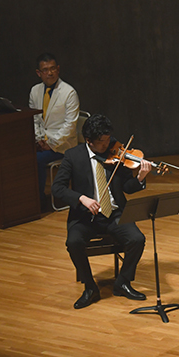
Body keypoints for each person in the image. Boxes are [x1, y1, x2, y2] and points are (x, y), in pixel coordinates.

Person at [51, 114, 151, 309]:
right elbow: (57, 188)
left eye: (108, 139)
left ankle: (122, 281)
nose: (107, 145)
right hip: (84, 216)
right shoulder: (73, 156)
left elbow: (128, 187)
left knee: (137, 239)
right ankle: (90, 287)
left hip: (113, 213)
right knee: (73, 242)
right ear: (89, 141)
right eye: (102, 142)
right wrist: (82, 198)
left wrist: (140, 177)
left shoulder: (116, 153)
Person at [28, 53, 80, 208]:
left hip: (63, 145)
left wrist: (50, 144)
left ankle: (40, 199)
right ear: (39, 73)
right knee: (24, 156)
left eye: (52, 69)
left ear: (58, 69)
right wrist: (38, 140)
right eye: (45, 70)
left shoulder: (69, 92)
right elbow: (35, 120)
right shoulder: (35, 91)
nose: (49, 73)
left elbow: (70, 126)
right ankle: (27, 199)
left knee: (36, 159)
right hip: (42, 143)